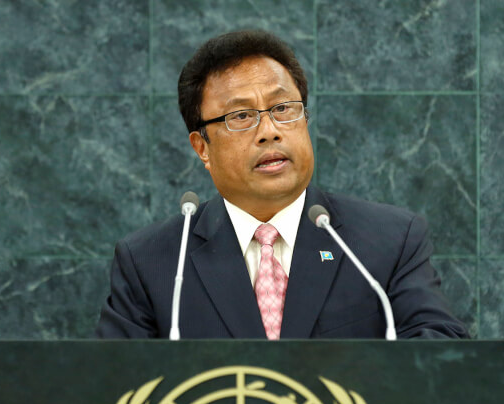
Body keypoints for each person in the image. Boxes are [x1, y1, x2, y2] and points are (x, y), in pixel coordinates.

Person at [96, 30, 468, 340]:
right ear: (202, 148)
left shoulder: (388, 241)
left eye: (282, 108)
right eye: (241, 116)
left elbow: (442, 357)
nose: (269, 131)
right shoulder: (153, 263)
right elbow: (111, 388)